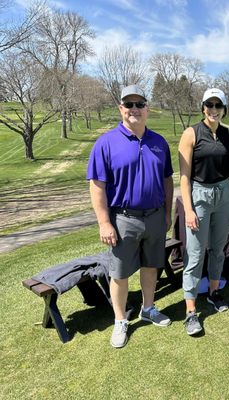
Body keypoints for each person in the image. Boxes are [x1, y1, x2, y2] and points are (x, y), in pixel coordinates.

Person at [87, 85, 174, 348]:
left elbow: (168, 180)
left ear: (147, 108)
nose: (134, 109)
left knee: (151, 266)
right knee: (120, 273)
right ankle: (120, 320)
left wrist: (168, 213)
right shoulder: (106, 143)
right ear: (121, 109)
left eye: (139, 104)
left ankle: (148, 308)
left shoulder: (158, 142)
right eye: (129, 105)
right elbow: (97, 186)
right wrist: (104, 222)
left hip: (155, 216)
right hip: (123, 218)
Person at [178, 88, 229, 336]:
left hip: (224, 195)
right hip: (200, 196)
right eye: (209, 105)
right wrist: (189, 209)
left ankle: (214, 293)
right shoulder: (191, 133)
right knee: (195, 254)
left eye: (218, 105)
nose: (213, 109)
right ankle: (191, 311)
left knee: (218, 249)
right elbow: (184, 177)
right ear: (203, 107)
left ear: (224, 108)